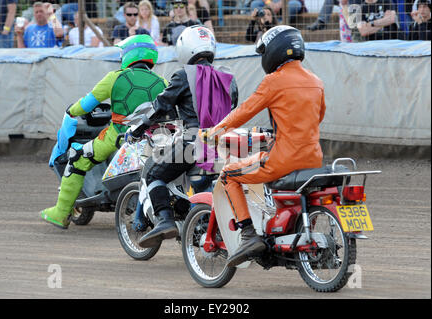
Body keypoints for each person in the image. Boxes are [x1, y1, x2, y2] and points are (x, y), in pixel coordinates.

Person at [209, 25, 326, 268]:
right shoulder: (316, 81)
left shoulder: (273, 81)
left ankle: (249, 234)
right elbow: (317, 117)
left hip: (282, 160)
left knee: (229, 175)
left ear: (274, 51)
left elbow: (244, 111)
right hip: (314, 159)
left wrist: (216, 131)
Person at [41, 35, 168, 229]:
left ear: (129, 54)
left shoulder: (115, 77)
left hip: (118, 139)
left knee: (76, 158)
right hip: (154, 141)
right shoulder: (163, 82)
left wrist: (70, 111)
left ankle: (60, 213)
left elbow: (86, 104)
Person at [128, 26, 239, 248]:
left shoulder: (182, 75)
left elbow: (160, 106)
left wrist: (138, 128)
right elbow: (234, 106)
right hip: (227, 144)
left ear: (184, 48)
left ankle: (165, 220)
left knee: (153, 175)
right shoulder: (228, 77)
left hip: (194, 142)